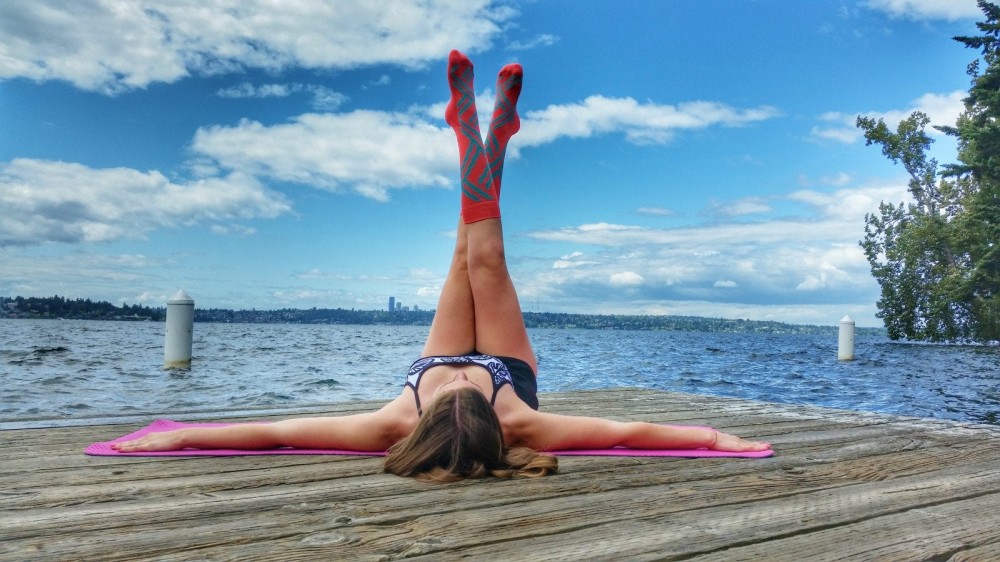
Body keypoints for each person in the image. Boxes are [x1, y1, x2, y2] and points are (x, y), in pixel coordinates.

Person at [112, 51, 772, 481]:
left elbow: (274, 432)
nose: (459, 384)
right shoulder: (522, 419)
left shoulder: (390, 422)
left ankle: (479, 130)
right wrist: (716, 438)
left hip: (421, 370)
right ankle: (482, 132)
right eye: (465, 395)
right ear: (496, 423)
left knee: (465, 253)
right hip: (508, 374)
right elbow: (631, 433)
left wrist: (182, 437)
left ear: (423, 420)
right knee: (489, 260)